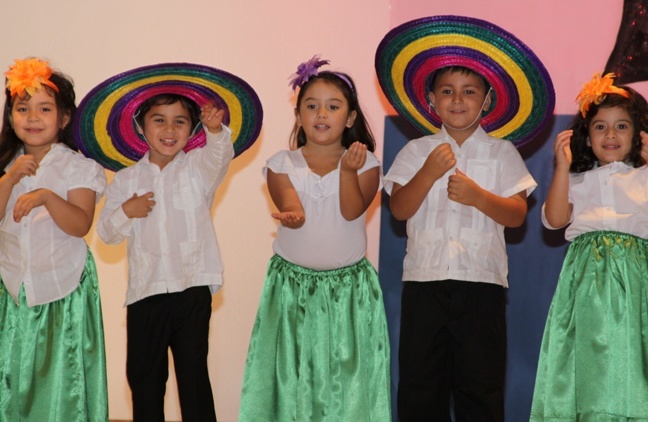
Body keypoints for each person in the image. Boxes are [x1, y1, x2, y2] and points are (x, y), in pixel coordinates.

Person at [375, 16, 555, 421]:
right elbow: (400, 211)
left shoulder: (502, 152)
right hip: (425, 283)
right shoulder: (417, 150)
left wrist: (478, 196)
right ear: (432, 101)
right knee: (421, 387)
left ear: (487, 99)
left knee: (480, 385)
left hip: (481, 286)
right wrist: (428, 173)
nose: (458, 100)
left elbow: (516, 215)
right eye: (447, 92)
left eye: (469, 91)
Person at [238, 56, 391, 421]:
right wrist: (293, 214)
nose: (321, 114)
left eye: (333, 106)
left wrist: (348, 172)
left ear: (350, 118)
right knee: (293, 377)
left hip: (349, 291)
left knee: (347, 379)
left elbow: (352, 210)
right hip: (292, 287)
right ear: (299, 116)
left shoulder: (366, 164)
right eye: (311, 106)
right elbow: (289, 201)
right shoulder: (282, 162)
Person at [530, 73, 648, 420]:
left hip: (637, 280)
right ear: (585, 136)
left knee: (633, 355)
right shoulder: (578, 179)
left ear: (638, 133)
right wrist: (563, 168)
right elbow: (553, 219)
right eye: (600, 127)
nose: (611, 135)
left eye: (622, 126)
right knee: (590, 356)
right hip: (586, 284)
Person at [0, 58, 108, 421]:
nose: (32, 117)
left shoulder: (78, 167)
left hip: (61, 290)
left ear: (63, 118)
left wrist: (47, 196)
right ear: (10, 116)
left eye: (44, 109)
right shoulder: (6, 165)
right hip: (12, 292)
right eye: (22, 108)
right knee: (12, 381)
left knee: (60, 382)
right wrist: (9, 179)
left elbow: (80, 224)